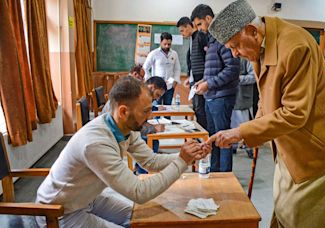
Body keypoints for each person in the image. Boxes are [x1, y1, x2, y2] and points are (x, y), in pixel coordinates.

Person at [207, 0, 325, 227]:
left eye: (235, 46)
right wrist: (253, 131)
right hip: (290, 144)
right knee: (283, 212)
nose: (234, 54)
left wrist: (241, 131)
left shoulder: (295, 47)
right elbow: (267, 96)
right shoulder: (260, 45)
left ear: (252, 31)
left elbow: (294, 113)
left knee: (300, 218)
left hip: (314, 148)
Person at [35, 77, 210, 228]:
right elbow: (139, 192)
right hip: (60, 212)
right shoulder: (95, 144)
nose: (150, 116)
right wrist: (181, 162)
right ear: (124, 112)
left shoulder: (125, 127)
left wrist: (187, 157)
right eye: (145, 111)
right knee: (142, 213)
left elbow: (151, 161)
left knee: (151, 219)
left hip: (88, 198)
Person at [191, 4, 240, 172]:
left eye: (199, 24)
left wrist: (209, 84)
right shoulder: (211, 41)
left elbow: (232, 70)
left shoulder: (223, 39)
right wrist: (203, 81)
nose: (198, 29)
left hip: (221, 98)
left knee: (223, 139)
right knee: (214, 138)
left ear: (208, 19)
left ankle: (225, 177)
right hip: (211, 97)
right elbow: (215, 69)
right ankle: (215, 172)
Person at [177, 16, 208, 130]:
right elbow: (193, 60)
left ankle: (204, 137)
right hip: (194, 79)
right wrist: (189, 77)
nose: (181, 34)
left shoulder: (200, 36)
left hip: (201, 80)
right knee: (197, 109)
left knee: (201, 111)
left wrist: (204, 79)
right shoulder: (192, 39)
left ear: (188, 26)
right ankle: (200, 136)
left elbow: (207, 59)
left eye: (182, 30)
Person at [143, 32, 181, 105]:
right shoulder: (154, 53)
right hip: (157, 88)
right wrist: (150, 82)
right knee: (156, 109)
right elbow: (145, 67)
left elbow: (177, 69)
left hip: (170, 86)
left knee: (168, 110)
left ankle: (167, 117)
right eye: (165, 44)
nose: (167, 46)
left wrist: (174, 83)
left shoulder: (174, 54)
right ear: (160, 42)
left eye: (169, 44)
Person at [230, 58, 256, 158]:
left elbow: (253, 76)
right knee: (232, 125)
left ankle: (249, 148)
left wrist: (238, 79)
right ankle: (233, 146)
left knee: (245, 126)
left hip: (243, 99)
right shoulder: (227, 55)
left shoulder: (247, 58)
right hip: (230, 98)